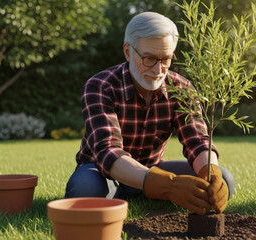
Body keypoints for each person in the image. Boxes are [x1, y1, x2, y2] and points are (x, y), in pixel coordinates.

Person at [65, 11, 235, 215]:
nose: (158, 69)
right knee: (86, 189)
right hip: (103, 172)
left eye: (166, 59)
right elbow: (108, 151)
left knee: (222, 180)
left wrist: (210, 170)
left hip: (154, 170)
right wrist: (168, 186)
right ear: (128, 51)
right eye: (149, 58)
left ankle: (133, 195)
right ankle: (124, 193)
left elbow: (197, 140)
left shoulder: (181, 89)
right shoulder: (100, 86)